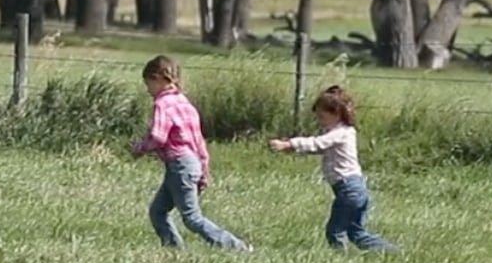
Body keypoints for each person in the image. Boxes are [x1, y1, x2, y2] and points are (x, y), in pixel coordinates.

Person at [131, 55, 250, 252]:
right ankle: (173, 249)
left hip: (179, 165)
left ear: (159, 79)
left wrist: (140, 148)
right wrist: (204, 168)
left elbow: (158, 136)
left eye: (148, 83)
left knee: (192, 217)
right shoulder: (184, 102)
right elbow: (198, 140)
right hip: (189, 163)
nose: (147, 89)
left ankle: (235, 247)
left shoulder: (163, 104)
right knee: (158, 211)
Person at [271, 84, 398, 252]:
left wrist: (290, 143)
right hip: (356, 189)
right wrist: (293, 148)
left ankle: (340, 258)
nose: (320, 122)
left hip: (349, 189)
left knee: (334, 231)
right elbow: (321, 148)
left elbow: (318, 143)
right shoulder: (343, 132)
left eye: (322, 117)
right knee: (356, 233)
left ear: (337, 114)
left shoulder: (341, 133)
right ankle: (392, 251)